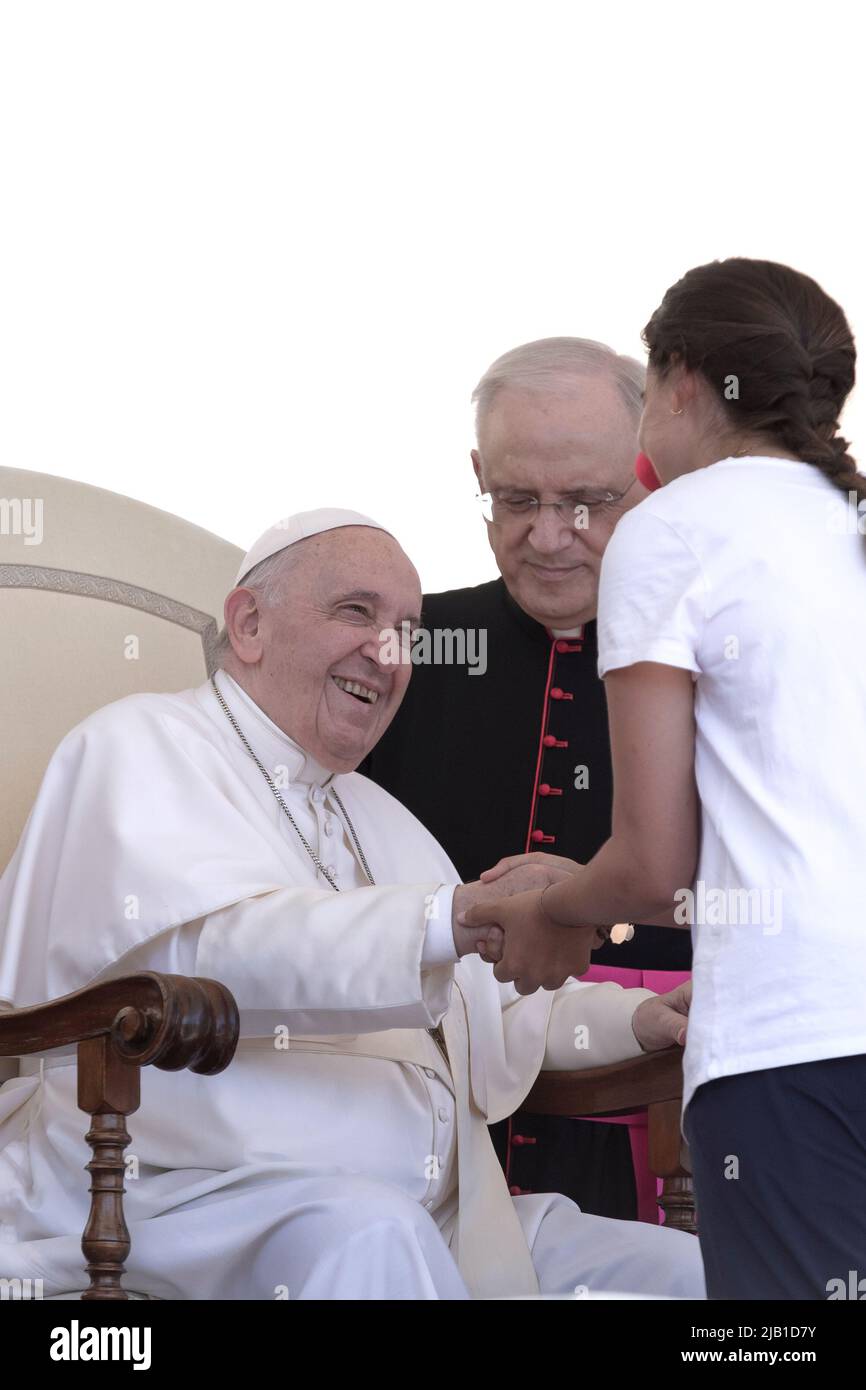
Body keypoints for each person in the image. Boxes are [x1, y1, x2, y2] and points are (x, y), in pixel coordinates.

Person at [0, 508, 705, 1300]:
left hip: (438, 1214)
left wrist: (639, 1021)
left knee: (698, 1275)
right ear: (250, 622)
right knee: (373, 1236)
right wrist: (456, 918)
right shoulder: (136, 745)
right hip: (188, 1198)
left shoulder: (379, 816)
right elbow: (214, 955)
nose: (389, 651)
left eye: (407, 628)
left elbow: (492, 1014)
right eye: (356, 612)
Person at [463, 259, 866, 1300]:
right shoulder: (840, 522)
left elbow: (650, 864)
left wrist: (550, 907)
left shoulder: (672, 529)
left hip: (791, 1040)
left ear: (677, 382)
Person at [362, 338, 691, 1217]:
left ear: (649, 476)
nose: (548, 538)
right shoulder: (404, 650)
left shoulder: (726, 654)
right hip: (431, 1123)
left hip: (665, 1102)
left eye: (589, 502)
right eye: (516, 500)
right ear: (479, 475)